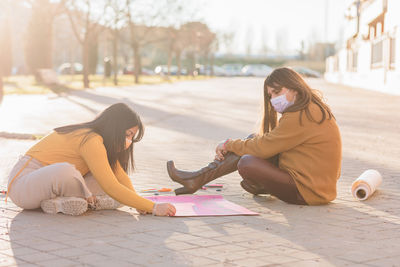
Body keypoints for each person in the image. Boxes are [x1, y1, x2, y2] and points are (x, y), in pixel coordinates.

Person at [167, 67, 342, 205]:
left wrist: (227, 144)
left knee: (248, 161)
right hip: (316, 186)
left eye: (276, 92)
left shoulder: (301, 115)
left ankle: (196, 179)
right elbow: (264, 143)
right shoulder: (308, 108)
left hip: (309, 192)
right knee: (252, 139)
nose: (273, 99)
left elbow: (262, 148)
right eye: (270, 95)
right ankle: (196, 179)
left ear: (293, 88)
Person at [6, 103, 176, 216]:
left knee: (104, 178)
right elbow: (111, 186)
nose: (129, 142)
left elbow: (119, 177)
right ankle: (91, 200)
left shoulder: (103, 145)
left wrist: (140, 204)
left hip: (49, 188)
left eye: (132, 138)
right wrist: (153, 208)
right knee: (66, 171)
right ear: (114, 128)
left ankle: (58, 203)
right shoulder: (90, 139)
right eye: (127, 135)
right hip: (23, 187)